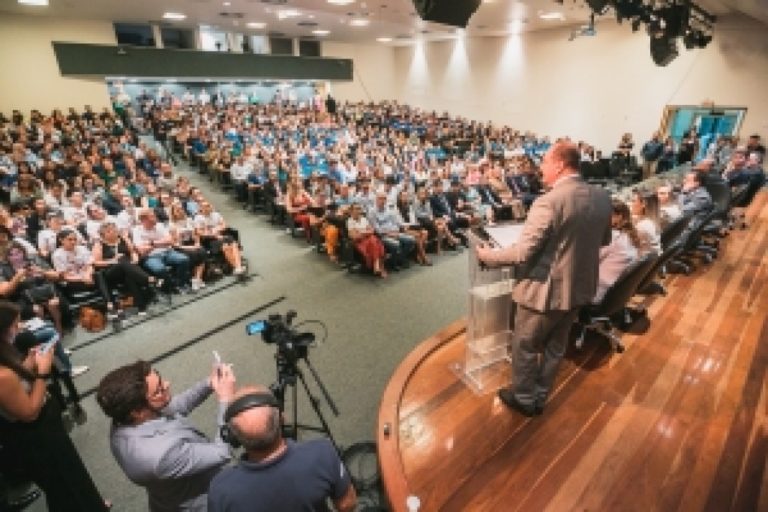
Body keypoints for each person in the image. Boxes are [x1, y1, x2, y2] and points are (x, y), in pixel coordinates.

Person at [476, 142, 612, 417]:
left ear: (560, 164)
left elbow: (523, 252)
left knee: (525, 346)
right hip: (579, 287)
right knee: (555, 347)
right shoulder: (601, 196)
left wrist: (488, 256)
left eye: (545, 162)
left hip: (544, 292)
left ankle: (524, 398)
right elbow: (604, 240)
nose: (541, 168)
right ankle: (540, 394)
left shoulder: (548, 201)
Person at [0, 301, 109, 511]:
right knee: (63, 485)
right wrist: (42, 371)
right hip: (36, 436)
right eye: (15, 325)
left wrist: (29, 364)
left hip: (46, 429)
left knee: (72, 476)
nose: (20, 328)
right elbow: (29, 412)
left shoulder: (6, 359)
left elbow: (16, 383)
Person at [96, 360, 235, 512]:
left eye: (161, 380)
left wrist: (210, 383)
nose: (167, 384)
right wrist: (225, 400)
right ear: (137, 412)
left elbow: (176, 406)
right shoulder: (160, 455)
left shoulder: (124, 418)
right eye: (158, 391)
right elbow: (221, 452)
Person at [207, 386, 357, 512]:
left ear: (233, 437)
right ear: (282, 419)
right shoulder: (322, 453)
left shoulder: (220, 490)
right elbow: (346, 505)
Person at [594, 200, 641, 303]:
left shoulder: (612, 237)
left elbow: (590, 260)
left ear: (618, 217)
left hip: (600, 291)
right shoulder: (628, 235)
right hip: (615, 291)